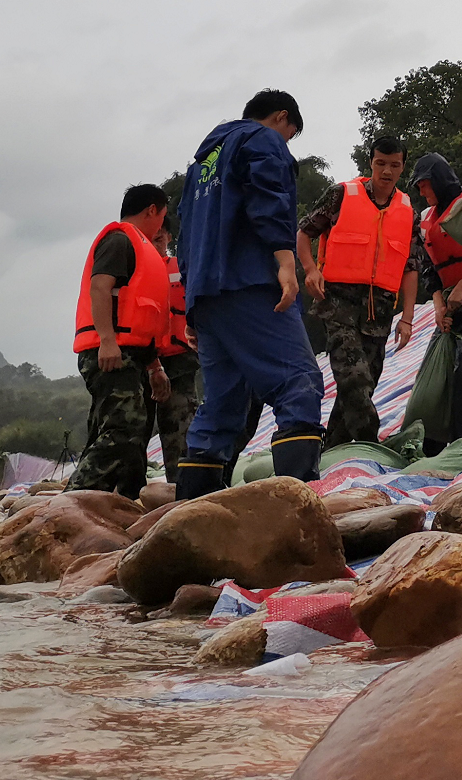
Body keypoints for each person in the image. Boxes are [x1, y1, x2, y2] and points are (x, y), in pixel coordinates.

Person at [172, 90, 327, 498]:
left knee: (222, 405)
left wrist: (191, 304)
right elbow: (269, 199)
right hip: (250, 282)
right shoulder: (262, 140)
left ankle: (193, 511)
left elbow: (184, 234)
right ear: (281, 118)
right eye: (290, 134)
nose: (287, 142)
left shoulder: (202, 162)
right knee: (298, 380)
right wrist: (285, 261)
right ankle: (297, 502)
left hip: (208, 292)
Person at [297, 136, 423, 446]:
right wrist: (311, 269)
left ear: (402, 167)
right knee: (354, 376)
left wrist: (406, 318)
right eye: (381, 163)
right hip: (338, 302)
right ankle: (371, 442)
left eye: (394, 165)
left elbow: (410, 268)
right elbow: (303, 232)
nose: (387, 172)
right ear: (371, 163)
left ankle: (333, 447)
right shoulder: (341, 194)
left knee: (361, 385)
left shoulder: (408, 212)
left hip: (379, 311)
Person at [68, 184, 174, 499]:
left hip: (134, 355)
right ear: (152, 210)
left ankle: (126, 501)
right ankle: (74, 500)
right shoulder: (119, 240)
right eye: (162, 216)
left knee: (133, 431)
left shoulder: (142, 248)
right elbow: (100, 288)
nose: (162, 226)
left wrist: (155, 366)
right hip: (109, 352)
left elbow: (142, 316)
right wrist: (107, 340)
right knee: (123, 428)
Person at [412, 150, 462, 442]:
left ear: (440, 180)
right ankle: (438, 441)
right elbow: (428, 270)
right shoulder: (424, 222)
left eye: (424, 184)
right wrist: (439, 306)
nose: (422, 192)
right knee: (439, 379)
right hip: (451, 310)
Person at [148, 222, 201, 486]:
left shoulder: (183, 268)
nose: (157, 242)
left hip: (180, 361)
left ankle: (181, 488)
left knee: (181, 429)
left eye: (161, 238)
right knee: (136, 430)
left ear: (169, 237)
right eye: (152, 238)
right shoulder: (133, 269)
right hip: (142, 361)